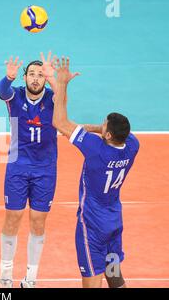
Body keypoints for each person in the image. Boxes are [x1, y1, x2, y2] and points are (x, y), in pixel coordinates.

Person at [52, 57, 139, 288]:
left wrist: (62, 84)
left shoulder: (95, 150)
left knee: (92, 279)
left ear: (107, 135)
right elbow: (115, 135)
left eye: (104, 125)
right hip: (113, 223)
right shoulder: (132, 146)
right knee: (114, 274)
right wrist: (95, 129)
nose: (101, 126)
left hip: (92, 227)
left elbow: (59, 122)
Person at [0, 52, 58, 288]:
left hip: (45, 169)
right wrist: (8, 77)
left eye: (40, 75)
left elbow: (63, 96)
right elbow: (3, 91)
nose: (36, 78)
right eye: (31, 74)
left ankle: (31, 278)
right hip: (18, 167)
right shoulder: (15, 96)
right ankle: (5, 276)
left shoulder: (53, 99)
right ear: (24, 78)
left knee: (38, 222)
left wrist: (54, 79)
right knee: (12, 218)